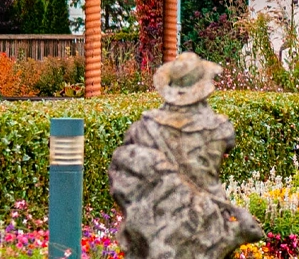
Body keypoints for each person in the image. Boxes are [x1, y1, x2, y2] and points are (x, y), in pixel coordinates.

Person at [109, 54, 265, 259]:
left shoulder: (143, 128)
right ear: (202, 89)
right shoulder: (220, 129)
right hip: (206, 226)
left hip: (154, 228)